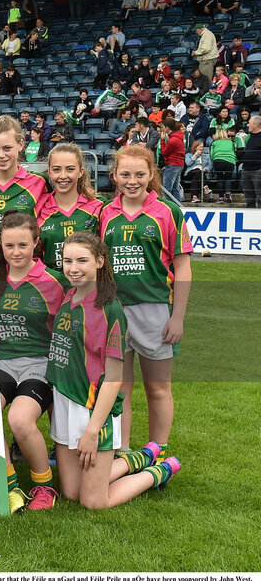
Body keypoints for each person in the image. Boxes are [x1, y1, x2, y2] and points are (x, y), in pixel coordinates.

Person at [49, 232, 182, 509]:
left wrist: (92, 431)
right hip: (64, 402)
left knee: (93, 502)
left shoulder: (111, 311)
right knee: (71, 493)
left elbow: (113, 379)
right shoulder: (68, 295)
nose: (73, 268)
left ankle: (157, 471)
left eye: (82, 261)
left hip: (93, 408)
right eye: (67, 261)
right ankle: (136, 459)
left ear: (100, 261)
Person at [100, 145, 192, 457]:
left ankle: (158, 453)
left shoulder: (168, 212)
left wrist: (177, 317)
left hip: (155, 312)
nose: (132, 181)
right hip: (114, 311)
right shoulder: (105, 212)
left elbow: (183, 267)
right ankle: (123, 452)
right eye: (125, 174)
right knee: (119, 389)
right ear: (115, 175)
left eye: (140, 174)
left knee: (158, 388)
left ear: (151, 174)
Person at [0, 211, 67, 513]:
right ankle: (9, 486)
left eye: (23, 245)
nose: (16, 252)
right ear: (1, 245)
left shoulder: (54, 282)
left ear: (36, 243)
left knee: (19, 419)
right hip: (1, 360)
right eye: (9, 246)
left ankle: (44, 485)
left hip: (39, 363)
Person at [0, 115, 49, 276]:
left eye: (7, 148)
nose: (1, 155)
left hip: (22, 262)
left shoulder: (38, 181)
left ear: (20, 145)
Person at [37, 143, 103, 273]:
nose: (63, 176)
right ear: (49, 172)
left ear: (81, 172)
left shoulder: (99, 206)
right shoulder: (38, 209)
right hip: (51, 284)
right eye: (56, 169)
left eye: (70, 169)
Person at [159, 118, 186, 202]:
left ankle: (170, 206)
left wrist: (162, 140)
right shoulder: (178, 137)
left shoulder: (172, 140)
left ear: (167, 127)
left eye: (163, 127)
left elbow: (164, 152)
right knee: (175, 188)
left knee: (167, 189)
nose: (163, 129)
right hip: (179, 164)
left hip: (173, 164)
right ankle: (177, 205)